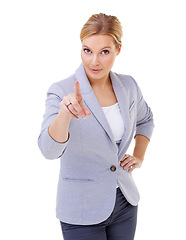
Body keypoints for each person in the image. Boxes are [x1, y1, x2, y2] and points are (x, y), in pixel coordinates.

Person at [38, 13, 154, 240]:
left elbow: (146, 119)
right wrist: (64, 114)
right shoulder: (62, 90)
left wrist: (139, 155)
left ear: (118, 50)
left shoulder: (128, 86)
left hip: (124, 202)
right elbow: (48, 150)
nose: (94, 61)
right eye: (87, 50)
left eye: (105, 52)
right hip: (81, 210)